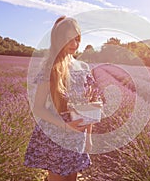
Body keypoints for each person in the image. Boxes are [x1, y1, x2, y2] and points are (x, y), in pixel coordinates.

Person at [24, 16, 102, 181]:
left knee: (72, 178)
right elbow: (38, 108)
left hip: (77, 137)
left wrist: (88, 137)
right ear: (58, 40)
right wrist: (66, 126)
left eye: (77, 39)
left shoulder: (84, 67)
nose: (74, 44)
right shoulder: (50, 68)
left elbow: (89, 105)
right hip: (55, 135)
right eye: (68, 39)